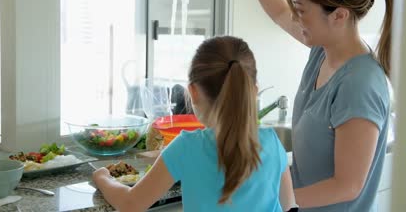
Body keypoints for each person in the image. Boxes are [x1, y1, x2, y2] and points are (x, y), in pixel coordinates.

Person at [211, 0, 393, 211]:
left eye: (302, 10)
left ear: (339, 15)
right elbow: (280, 13)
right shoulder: (323, 49)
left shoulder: (359, 85)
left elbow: (347, 185)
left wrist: (265, 197)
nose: (295, 18)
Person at [93, 36, 298, 211]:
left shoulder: (186, 147)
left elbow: (131, 204)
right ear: (253, 91)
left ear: (193, 92)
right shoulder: (272, 143)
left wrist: (103, 178)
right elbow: (290, 208)